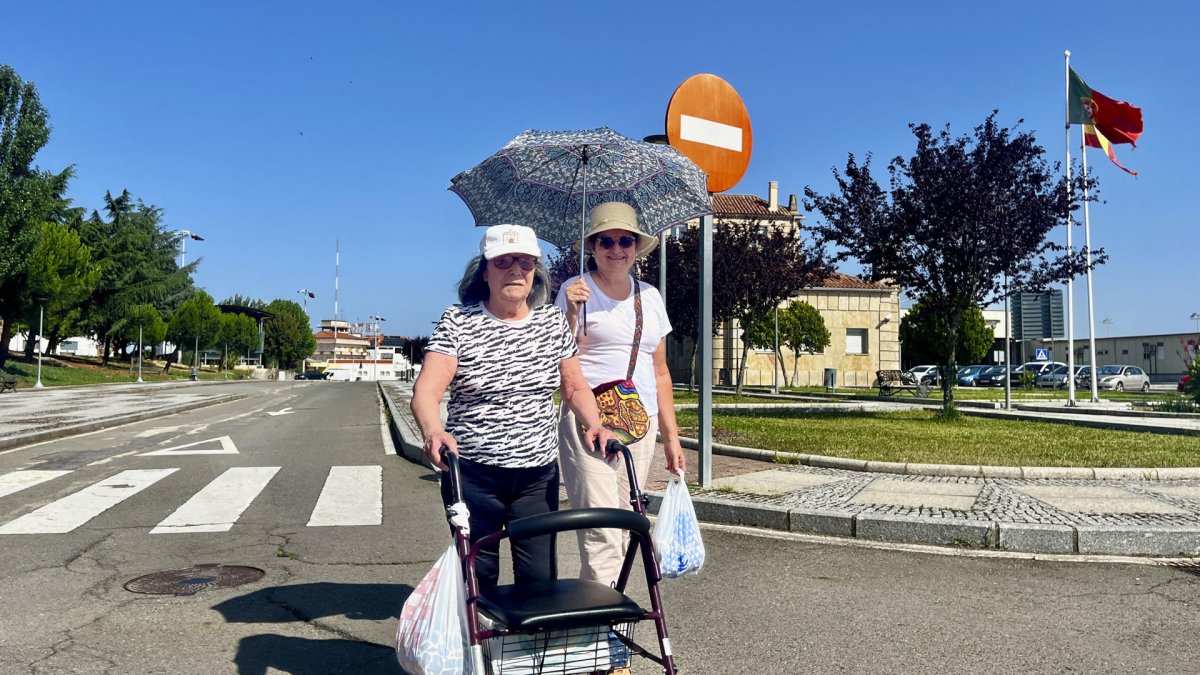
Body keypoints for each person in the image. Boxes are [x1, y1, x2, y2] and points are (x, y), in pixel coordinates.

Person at [411, 223, 611, 590]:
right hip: (473, 474)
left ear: (536, 272)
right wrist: (433, 431)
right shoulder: (458, 321)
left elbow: (574, 385)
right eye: (503, 261)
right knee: (478, 577)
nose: (515, 270)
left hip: (536, 476)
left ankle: (525, 647)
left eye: (525, 261)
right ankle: (480, 647)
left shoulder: (552, 322)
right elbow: (427, 388)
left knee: (538, 580)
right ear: (484, 270)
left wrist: (593, 422)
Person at [556, 201, 687, 586]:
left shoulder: (650, 296)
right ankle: (600, 625)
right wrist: (569, 314)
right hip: (589, 422)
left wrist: (672, 440)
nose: (617, 249)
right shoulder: (573, 292)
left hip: (637, 424)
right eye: (606, 241)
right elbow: (559, 358)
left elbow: (660, 372)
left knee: (626, 525)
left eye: (625, 240)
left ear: (636, 246)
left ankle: (604, 613)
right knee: (602, 531)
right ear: (592, 247)